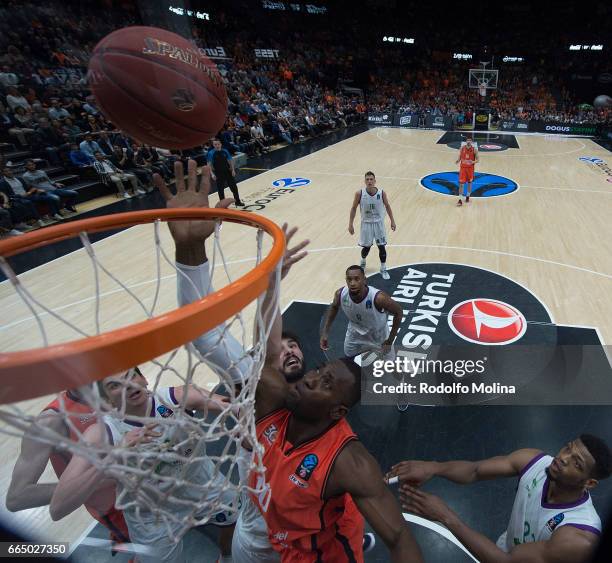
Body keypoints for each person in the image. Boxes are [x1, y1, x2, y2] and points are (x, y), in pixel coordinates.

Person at [50, 161, 253, 563]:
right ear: (104, 402)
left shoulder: (170, 396)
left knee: (234, 517)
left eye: (132, 376)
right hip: (152, 513)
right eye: (114, 386)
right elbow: (58, 507)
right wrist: (112, 456)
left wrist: (242, 415)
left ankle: (225, 557)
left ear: (145, 376)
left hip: (201, 486)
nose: (129, 387)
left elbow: (217, 402)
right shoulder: (102, 434)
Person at [247, 244, 423, 561]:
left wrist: (390, 340)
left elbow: (399, 537)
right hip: (273, 536)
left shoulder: (348, 461)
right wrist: (272, 289)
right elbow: (264, 351)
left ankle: (400, 391)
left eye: (325, 383)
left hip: (378, 337)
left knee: (390, 370)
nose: (310, 378)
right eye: (318, 372)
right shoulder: (277, 399)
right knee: (344, 366)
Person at [388, 435, 612, 563]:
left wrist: (445, 516)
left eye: (576, 463)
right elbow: (475, 470)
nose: (562, 458)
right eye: (567, 449)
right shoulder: (535, 460)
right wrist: (433, 467)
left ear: (589, 483)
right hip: (509, 548)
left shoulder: (578, 537)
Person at [6, 388, 131, 552]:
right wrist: (104, 479)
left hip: (150, 486)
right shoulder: (50, 422)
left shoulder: (117, 387)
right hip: (116, 510)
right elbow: (17, 497)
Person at [320, 264, 402, 360]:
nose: (352, 283)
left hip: (378, 335)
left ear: (364, 280)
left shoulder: (379, 298)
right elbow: (334, 307)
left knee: (390, 363)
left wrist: (390, 340)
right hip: (355, 332)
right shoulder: (340, 294)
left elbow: (399, 312)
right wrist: (325, 333)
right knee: (349, 357)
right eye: (349, 279)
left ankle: (400, 375)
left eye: (356, 279)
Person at [348, 171, 396, 279]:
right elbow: (353, 208)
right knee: (366, 248)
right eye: (367, 179)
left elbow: (387, 206)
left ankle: (383, 269)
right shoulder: (359, 194)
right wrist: (350, 224)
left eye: (371, 179)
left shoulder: (382, 193)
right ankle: (363, 261)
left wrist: (392, 221)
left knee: (382, 247)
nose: (369, 181)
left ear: (375, 181)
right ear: (364, 181)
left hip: (379, 224)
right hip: (366, 224)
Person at [207, 138, 244, 206]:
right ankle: (222, 206)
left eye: (218, 144)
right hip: (218, 173)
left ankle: (238, 202)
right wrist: (212, 174)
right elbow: (209, 164)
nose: (217, 145)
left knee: (234, 188)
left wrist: (233, 170)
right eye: (215, 144)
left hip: (227, 171)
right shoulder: (211, 153)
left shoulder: (225, 151)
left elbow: (230, 160)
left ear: (220, 144)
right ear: (213, 145)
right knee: (221, 190)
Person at [455, 136, 479, 206]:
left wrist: (473, 162)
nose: (468, 141)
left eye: (470, 140)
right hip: (463, 169)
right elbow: (460, 156)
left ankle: (467, 196)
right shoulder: (462, 148)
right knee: (461, 184)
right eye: (467, 140)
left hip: (470, 169)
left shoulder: (475, 150)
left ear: (472, 142)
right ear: (466, 141)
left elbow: (478, 160)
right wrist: (458, 160)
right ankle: (460, 200)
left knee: (469, 183)